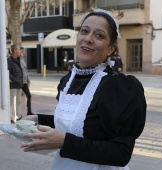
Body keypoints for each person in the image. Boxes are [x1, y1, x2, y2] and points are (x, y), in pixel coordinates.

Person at [21, 8, 146, 170]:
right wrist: (38, 119)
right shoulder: (68, 80)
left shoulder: (120, 88)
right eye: (84, 31)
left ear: (111, 49)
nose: (88, 39)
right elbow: (80, 122)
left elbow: (121, 153)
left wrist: (65, 143)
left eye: (99, 35)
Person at [8, 45, 23, 123]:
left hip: (19, 84)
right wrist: (15, 80)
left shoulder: (18, 59)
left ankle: (18, 115)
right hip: (13, 84)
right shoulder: (9, 60)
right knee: (12, 101)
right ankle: (11, 117)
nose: (20, 50)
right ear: (14, 51)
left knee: (18, 100)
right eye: (18, 49)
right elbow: (8, 73)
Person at [20, 47, 34, 115]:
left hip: (24, 82)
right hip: (19, 82)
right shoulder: (16, 60)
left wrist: (28, 81)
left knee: (29, 95)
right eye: (22, 51)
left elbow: (25, 71)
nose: (23, 53)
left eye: (23, 51)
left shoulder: (22, 59)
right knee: (17, 99)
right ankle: (17, 114)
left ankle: (29, 111)